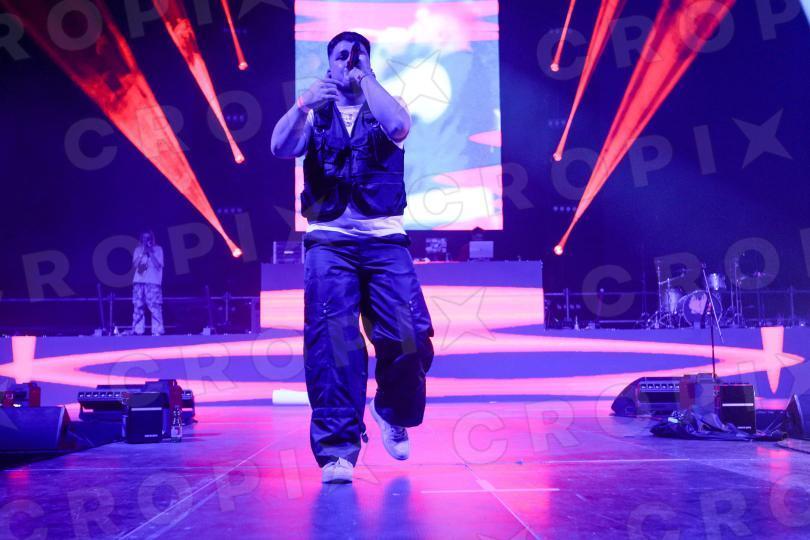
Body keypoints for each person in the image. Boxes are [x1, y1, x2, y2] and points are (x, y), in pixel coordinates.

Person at [271, 31, 434, 484]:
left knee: (410, 336)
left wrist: (366, 79)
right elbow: (279, 148)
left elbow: (399, 127)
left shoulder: (383, 106)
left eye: (357, 55)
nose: (349, 61)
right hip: (329, 241)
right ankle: (337, 451)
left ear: (369, 62)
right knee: (332, 344)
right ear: (328, 64)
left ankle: (391, 410)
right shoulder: (315, 113)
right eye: (342, 55)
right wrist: (301, 105)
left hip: (384, 240)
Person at [131, 230, 164, 336]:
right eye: (144, 237)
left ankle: (157, 330)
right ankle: (138, 330)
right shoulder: (138, 250)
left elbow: (158, 265)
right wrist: (142, 253)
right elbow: (136, 266)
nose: (146, 240)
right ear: (141, 239)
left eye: (148, 237)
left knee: (155, 306)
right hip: (139, 281)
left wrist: (150, 252)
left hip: (153, 282)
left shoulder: (158, 249)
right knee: (138, 306)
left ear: (152, 238)